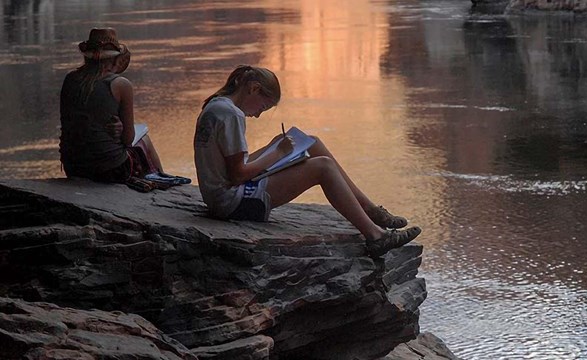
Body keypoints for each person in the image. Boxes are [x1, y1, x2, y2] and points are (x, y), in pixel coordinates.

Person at [194, 65, 421, 257]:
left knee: (310, 141)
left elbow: (231, 167)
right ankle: (375, 236)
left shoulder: (218, 105)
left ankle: (370, 209)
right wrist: (278, 154)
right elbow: (238, 174)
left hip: (224, 195)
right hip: (232, 203)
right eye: (263, 107)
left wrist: (277, 147)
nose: (258, 114)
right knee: (323, 167)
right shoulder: (232, 115)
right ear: (254, 89)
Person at [59, 28, 166, 184]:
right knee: (144, 139)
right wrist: (122, 129)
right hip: (110, 170)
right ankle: (162, 177)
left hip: (73, 167)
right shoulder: (121, 85)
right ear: (115, 59)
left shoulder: (70, 79)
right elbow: (128, 139)